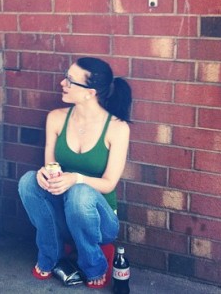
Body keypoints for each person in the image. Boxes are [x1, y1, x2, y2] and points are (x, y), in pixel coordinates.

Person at [18, 57, 132, 288]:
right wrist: (44, 175)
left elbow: (109, 183)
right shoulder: (56, 118)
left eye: (70, 81)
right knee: (28, 181)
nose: (63, 83)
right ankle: (51, 255)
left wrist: (76, 179)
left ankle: (94, 264)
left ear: (90, 92)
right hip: (61, 214)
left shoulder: (117, 128)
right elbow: (51, 167)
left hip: (100, 221)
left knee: (80, 192)